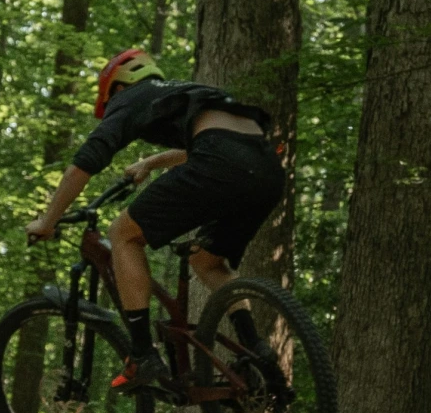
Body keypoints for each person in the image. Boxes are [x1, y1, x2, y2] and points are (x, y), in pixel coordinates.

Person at [26, 48, 285, 394]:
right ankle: (256, 347)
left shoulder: (129, 99)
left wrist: (48, 221)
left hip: (220, 161)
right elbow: (222, 142)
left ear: (117, 88)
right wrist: (151, 162)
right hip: (267, 169)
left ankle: (142, 354)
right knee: (208, 262)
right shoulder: (186, 92)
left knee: (123, 234)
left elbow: (84, 164)